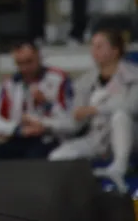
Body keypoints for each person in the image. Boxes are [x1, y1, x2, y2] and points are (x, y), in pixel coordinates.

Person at [49, 29, 138, 188]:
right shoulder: (85, 81)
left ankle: (120, 166)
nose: (94, 51)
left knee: (121, 115)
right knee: (58, 157)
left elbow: (131, 106)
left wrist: (94, 110)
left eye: (99, 46)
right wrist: (46, 124)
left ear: (115, 50)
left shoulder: (134, 76)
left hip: (130, 135)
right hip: (97, 138)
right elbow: (76, 122)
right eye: (92, 46)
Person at [0, 40, 73, 161]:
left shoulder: (59, 79)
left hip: (49, 137)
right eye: (19, 63)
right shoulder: (10, 84)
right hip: (20, 137)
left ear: (39, 57)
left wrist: (46, 105)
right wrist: (18, 130)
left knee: (33, 158)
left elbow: (71, 120)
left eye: (29, 62)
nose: (25, 68)